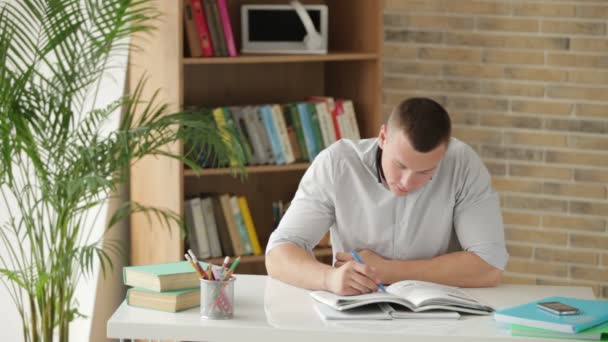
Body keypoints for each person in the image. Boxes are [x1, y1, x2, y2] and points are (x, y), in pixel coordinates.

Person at [265, 97, 508, 296]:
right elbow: (278, 254)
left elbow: (488, 268)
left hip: (438, 315)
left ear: (443, 154)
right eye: (400, 165)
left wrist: (388, 271)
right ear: (382, 137)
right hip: (355, 311)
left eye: (425, 172)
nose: (407, 182)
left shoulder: (463, 163)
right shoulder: (337, 163)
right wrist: (328, 278)